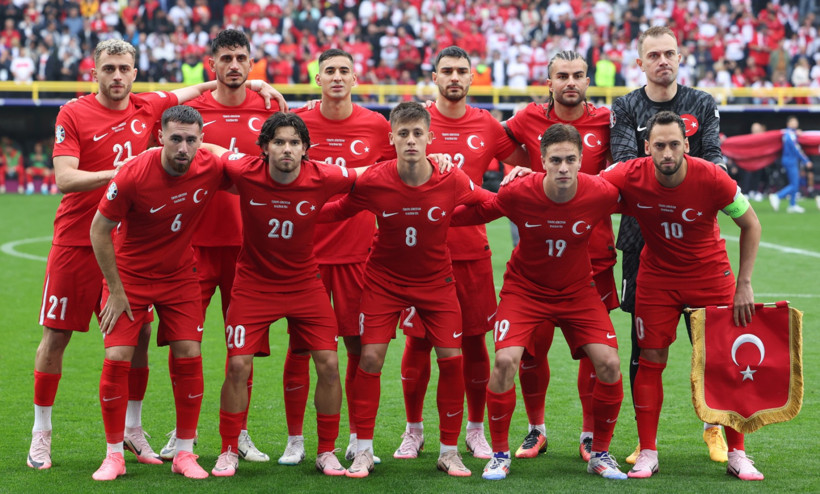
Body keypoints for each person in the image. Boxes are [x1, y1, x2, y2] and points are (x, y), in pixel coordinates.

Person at [26, 38, 261, 472]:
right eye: (109, 68)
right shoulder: (74, 112)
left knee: (139, 341)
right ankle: (42, 431)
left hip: (130, 247)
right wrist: (120, 173)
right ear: (93, 71)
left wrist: (256, 83)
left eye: (125, 69)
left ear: (135, 73)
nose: (117, 76)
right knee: (56, 336)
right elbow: (63, 178)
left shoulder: (150, 107)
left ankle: (133, 430)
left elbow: (193, 94)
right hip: (80, 239)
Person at [451, 124, 626, 481]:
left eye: (571, 160)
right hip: (525, 291)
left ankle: (601, 453)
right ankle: (499, 454)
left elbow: (643, 203)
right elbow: (482, 208)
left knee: (609, 362)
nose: (564, 167)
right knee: (505, 361)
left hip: (578, 291)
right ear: (542, 161)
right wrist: (433, 218)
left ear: (581, 162)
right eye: (556, 160)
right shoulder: (520, 191)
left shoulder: (600, 192)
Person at [325, 102, 487, 479]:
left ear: (431, 138)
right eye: (403, 134)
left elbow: (488, 204)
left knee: (452, 359)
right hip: (384, 282)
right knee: (370, 360)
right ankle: (362, 451)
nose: (411, 140)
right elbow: (337, 210)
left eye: (418, 134)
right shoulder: (373, 180)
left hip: (436, 283)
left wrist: (526, 190)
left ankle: (449, 451)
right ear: (391, 139)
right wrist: (291, 208)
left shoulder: (452, 178)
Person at [601, 110, 763, 481]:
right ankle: (648, 451)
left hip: (710, 277)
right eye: (659, 146)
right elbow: (585, 186)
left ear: (687, 145)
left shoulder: (712, 177)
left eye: (675, 144)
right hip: (657, 279)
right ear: (647, 148)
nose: (668, 152)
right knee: (651, 359)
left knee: (724, 362)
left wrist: (745, 283)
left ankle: (738, 452)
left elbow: (750, 223)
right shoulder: (629, 174)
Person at [394, 45, 527, 462]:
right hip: (419, 253)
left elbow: (524, 164)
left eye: (462, 71)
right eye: (446, 70)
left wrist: (522, 175)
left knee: (473, 343)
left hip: (471, 253)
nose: (454, 77)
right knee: (418, 344)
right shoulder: (415, 123)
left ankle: (474, 429)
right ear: (434, 76)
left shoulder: (487, 124)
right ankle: (413, 431)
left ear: (472, 78)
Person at [208, 112, 358, 478]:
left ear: (306, 149)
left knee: (329, 363)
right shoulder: (245, 171)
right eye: (278, 142)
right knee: (238, 365)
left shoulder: (324, 175)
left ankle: (326, 451)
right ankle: (228, 449)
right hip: (254, 284)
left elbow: (368, 175)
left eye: (294, 142)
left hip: (305, 283)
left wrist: (434, 162)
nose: (287, 148)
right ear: (264, 149)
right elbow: (209, 149)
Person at [158, 28, 281, 464]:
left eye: (241, 58)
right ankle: (183, 429)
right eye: (225, 58)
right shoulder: (190, 112)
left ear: (252, 64)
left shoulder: (269, 108)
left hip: (249, 249)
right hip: (191, 247)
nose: (233, 65)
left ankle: (240, 431)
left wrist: (266, 88)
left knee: (240, 348)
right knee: (183, 342)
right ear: (212, 65)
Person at [89, 105, 231, 480]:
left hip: (180, 275)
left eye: (191, 140)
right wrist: (116, 292)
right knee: (118, 354)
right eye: (175, 138)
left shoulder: (211, 166)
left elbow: (251, 173)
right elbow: (99, 230)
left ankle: (185, 452)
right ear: (160, 137)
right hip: (129, 277)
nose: (183, 148)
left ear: (201, 141)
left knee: (189, 351)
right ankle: (114, 454)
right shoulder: (133, 173)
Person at [609, 26, 729, 465]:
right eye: (654, 54)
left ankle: (714, 427)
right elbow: (622, 164)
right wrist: (671, 171)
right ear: (640, 62)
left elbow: (715, 157)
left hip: (696, 239)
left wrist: (685, 180)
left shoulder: (702, 103)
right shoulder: (625, 106)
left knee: (711, 346)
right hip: (642, 238)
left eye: (670, 53)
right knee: (646, 346)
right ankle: (646, 441)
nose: (663, 60)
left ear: (680, 58)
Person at [501, 50, 617, 462]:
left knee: (593, 350)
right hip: (537, 259)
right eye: (562, 76)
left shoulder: (607, 120)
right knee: (532, 349)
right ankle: (536, 429)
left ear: (589, 80)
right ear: (548, 82)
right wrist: (515, 168)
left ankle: (589, 435)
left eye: (578, 75)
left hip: (594, 255)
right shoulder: (527, 119)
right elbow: (492, 142)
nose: (571, 82)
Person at [282, 48, 394, 466]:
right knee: (299, 349)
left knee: (358, 348)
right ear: (317, 79)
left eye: (344, 70)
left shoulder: (376, 125)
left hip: (357, 256)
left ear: (355, 78)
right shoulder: (298, 124)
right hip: (305, 255)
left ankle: (356, 439)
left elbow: (393, 178)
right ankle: (296, 439)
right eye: (328, 70)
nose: (336, 77)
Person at [769, 115, 812, 214]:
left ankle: (792, 205)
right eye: (792, 122)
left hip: (790, 160)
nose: (794, 123)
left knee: (795, 183)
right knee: (794, 184)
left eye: (795, 122)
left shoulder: (791, 134)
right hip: (790, 161)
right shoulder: (790, 135)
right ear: (788, 124)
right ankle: (777, 196)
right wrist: (806, 160)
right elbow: (796, 150)